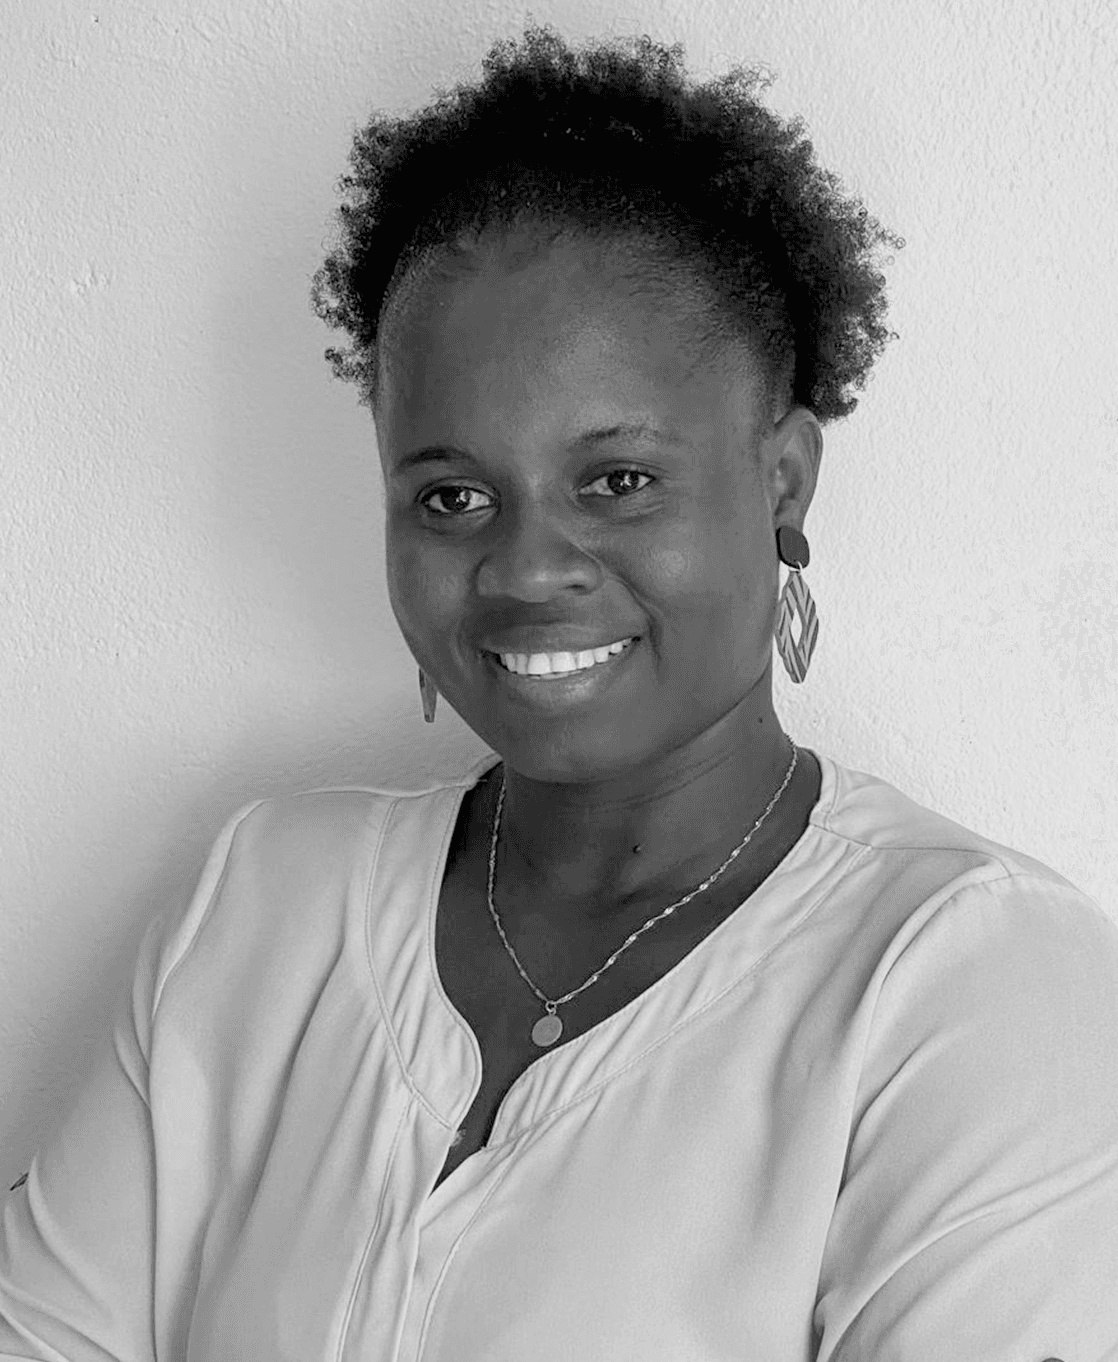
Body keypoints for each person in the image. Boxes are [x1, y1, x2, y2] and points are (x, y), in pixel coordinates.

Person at [2, 22, 1115, 1362]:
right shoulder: (263, 898)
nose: (525, 566)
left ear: (782, 479)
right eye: (452, 495)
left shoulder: (967, 989)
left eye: (616, 480)